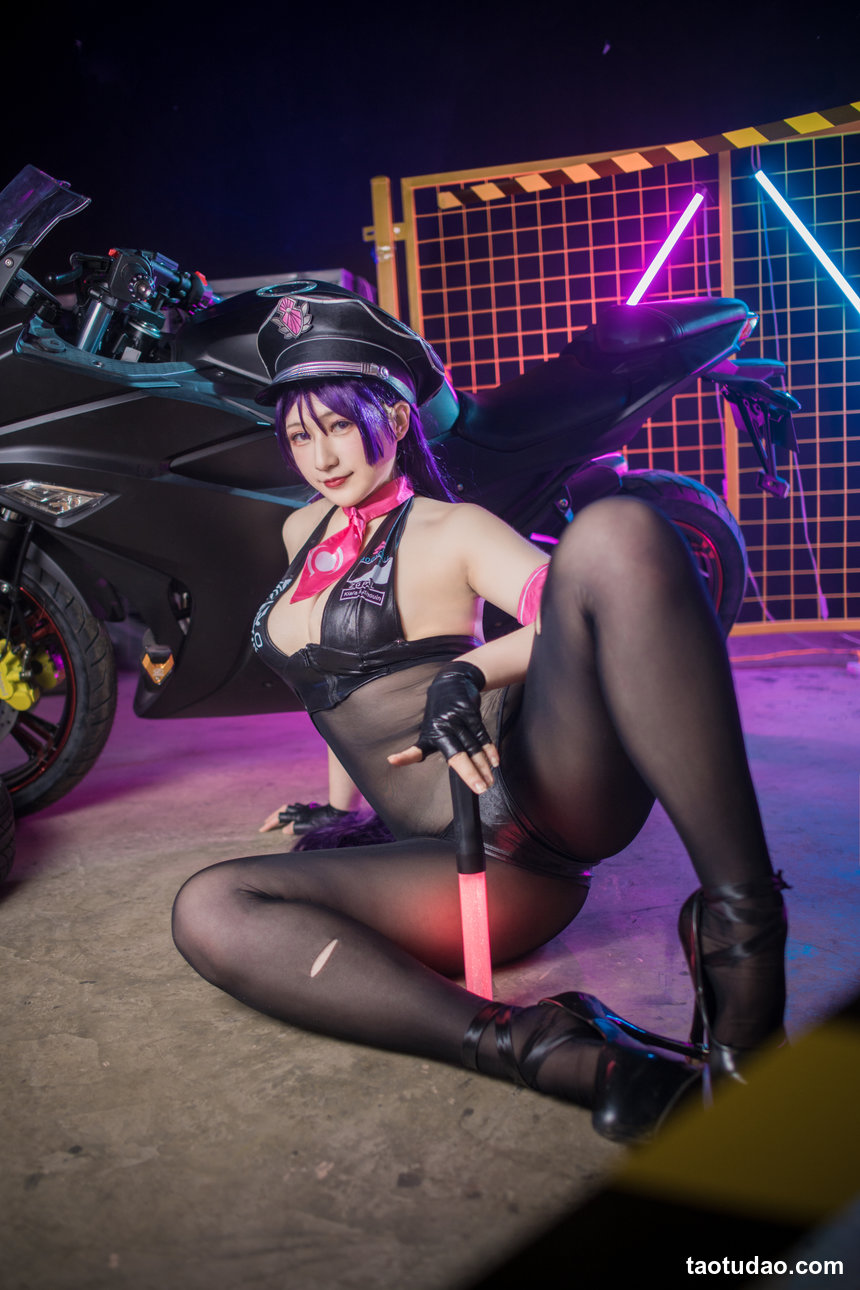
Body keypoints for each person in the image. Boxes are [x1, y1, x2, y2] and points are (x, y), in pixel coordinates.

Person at [172, 282, 788, 1143]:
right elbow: (333, 690)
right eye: (302, 435)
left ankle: (743, 931)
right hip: (446, 861)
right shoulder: (300, 532)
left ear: (394, 417)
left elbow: (567, 608)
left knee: (615, 536)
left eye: (340, 426)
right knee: (209, 906)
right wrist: (336, 811)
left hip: (535, 807)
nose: (322, 456)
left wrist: (467, 669)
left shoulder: (451, 528)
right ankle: (550, 1048)